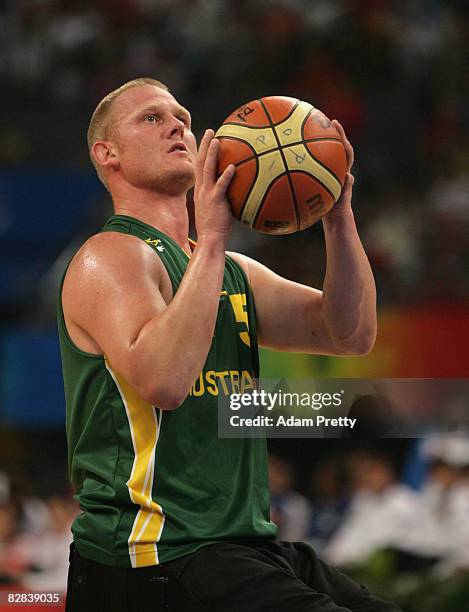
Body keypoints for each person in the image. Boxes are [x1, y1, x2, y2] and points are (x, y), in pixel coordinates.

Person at [58, 77, 399, 611]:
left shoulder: (232, 270)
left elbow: (350, 334)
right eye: (151, 118)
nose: (177, 125)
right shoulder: (109, 257)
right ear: (108, 154)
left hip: (240, 544)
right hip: (153, 557)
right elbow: (165, 382)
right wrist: (213, 239)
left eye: (183, 119)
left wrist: (336, 216)